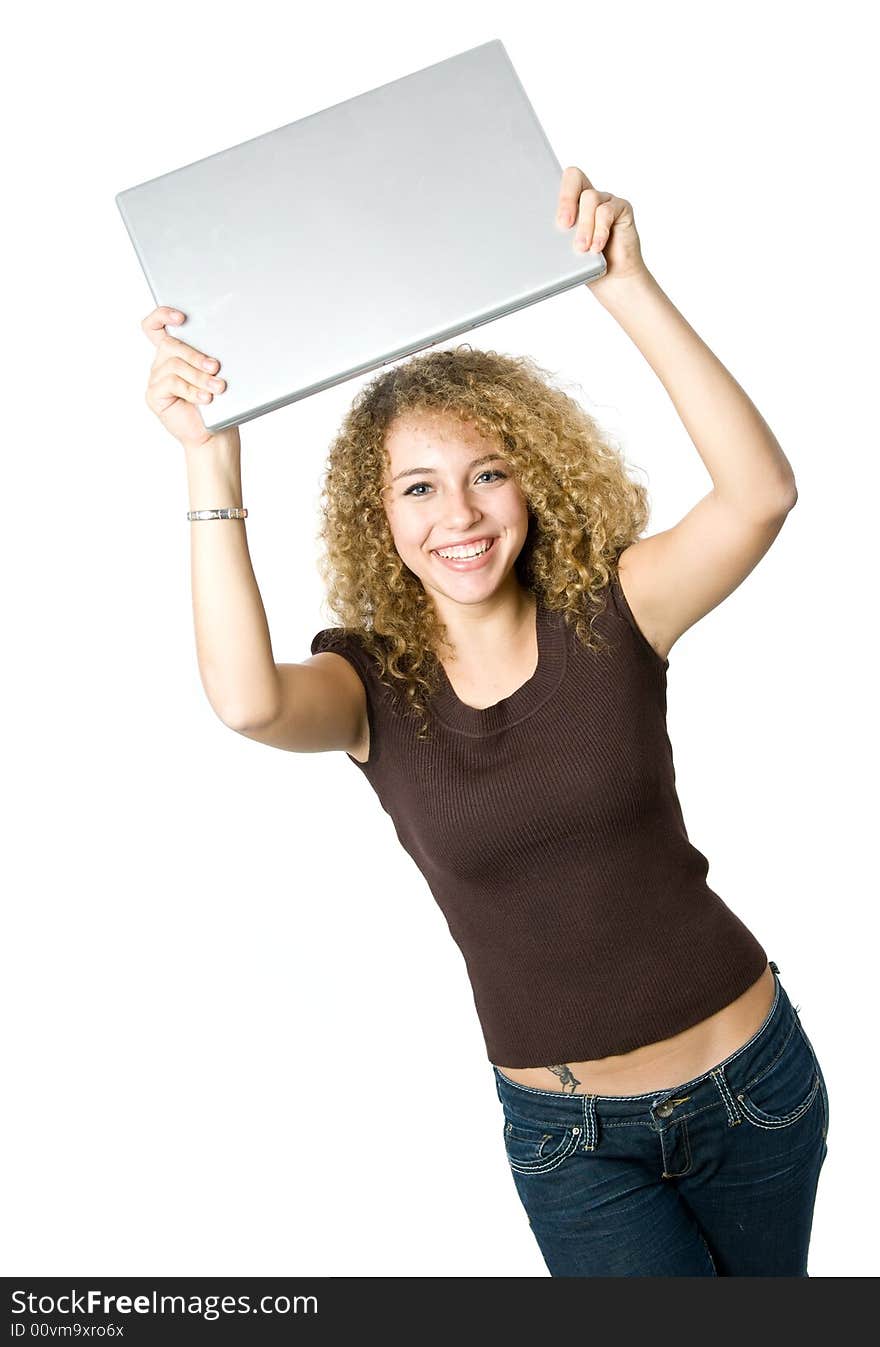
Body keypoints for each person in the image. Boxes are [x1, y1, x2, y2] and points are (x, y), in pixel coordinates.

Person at [141, 166, 829, 1277]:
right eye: (416, 488)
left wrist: (628, 287)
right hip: (571, 1141)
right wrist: (207, 462)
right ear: (379, 519)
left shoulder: (615, 612)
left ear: (532, 483)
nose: (456, 515)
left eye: (487, 473)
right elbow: (244, 700)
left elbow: (759, 496)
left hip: (753, 1087)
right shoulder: (368, 689)